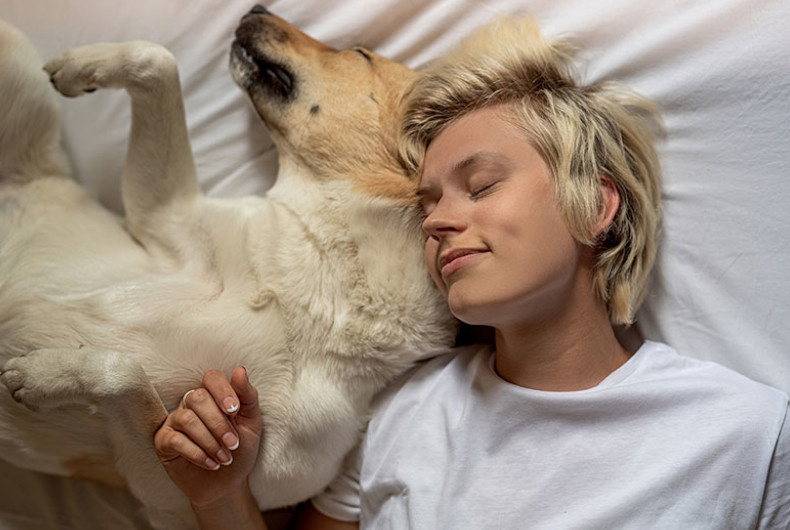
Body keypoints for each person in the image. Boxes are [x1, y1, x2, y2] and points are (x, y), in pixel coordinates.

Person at [153, 17, 789, 529]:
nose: (436, 223)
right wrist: (220, 497)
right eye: (427, 203)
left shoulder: (750, 438)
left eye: (480, 186)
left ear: (595, 204)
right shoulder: (395, 411)